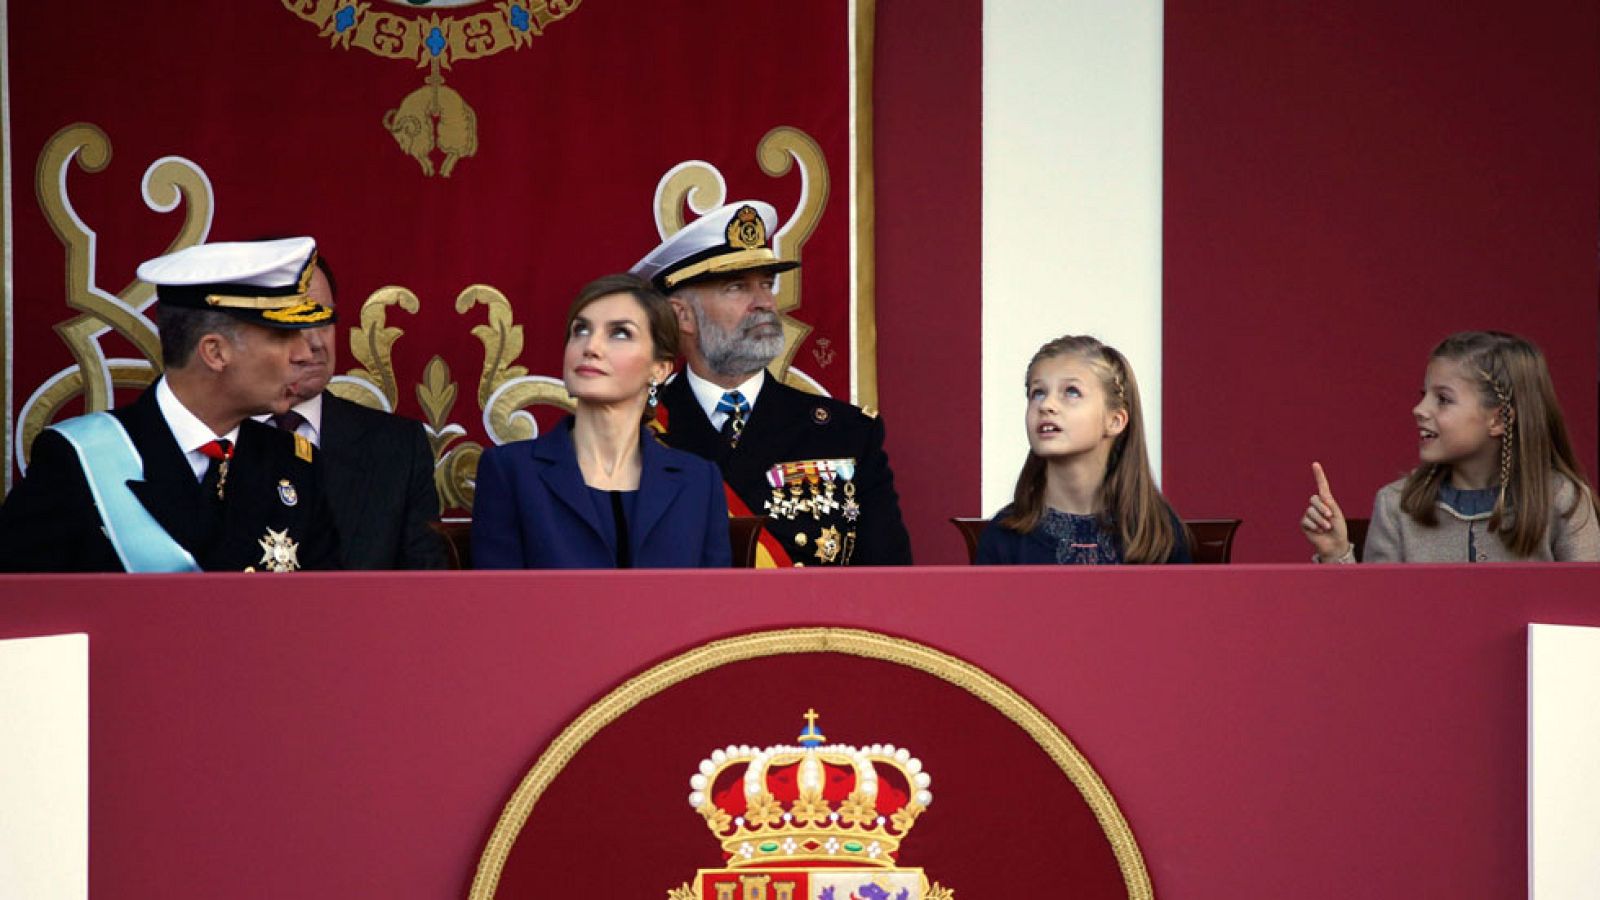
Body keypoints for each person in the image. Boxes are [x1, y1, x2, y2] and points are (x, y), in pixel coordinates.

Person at [0, 237, 341, 572]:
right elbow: (24, 613)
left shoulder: (294, 465)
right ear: (215, 352)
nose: (303, 354)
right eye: (282, 337)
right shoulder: (78, 462)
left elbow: (323, 611)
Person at [631, 200, 912, 567]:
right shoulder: (637, 431)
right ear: (680, 315)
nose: (764, 302)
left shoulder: (847, 433)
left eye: (766, 284)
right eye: (736, 287)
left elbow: (888, 580)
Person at [471, 273, 731, 568]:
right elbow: (499, 604)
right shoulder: (510, 471)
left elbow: (715, 606)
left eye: (620, 333)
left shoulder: (699, 481)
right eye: (580, 330)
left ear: (659, 369)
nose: (590, 347)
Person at [1303, 331, 1600, 562]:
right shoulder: (1396, 505)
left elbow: (1589, 617)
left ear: (1499, 419)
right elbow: (1371, 619)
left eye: (1443, 399)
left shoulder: (1565, 500)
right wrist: (1336, 553)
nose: (1419, 409)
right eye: (1423, 395)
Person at [258, 251, 447, 569]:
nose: (315, 342)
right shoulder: (204, 439)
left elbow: (424, 594)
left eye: (324, 319)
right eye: (295, 322)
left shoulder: (398, 448)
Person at [976, 335, 1190, 564]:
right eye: (1038, 393)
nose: (1046, 405)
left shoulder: (1157, 533)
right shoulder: (1004, 536)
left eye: (1071, 392)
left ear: (1115, 420)